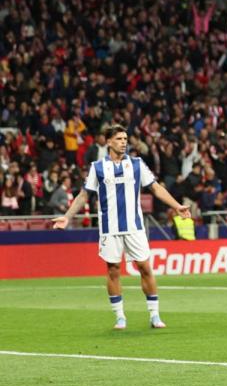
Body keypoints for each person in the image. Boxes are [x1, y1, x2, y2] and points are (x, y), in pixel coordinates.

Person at [51, 124, 191, 330]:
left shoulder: (137, 164)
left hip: (134, 227)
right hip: (109, 229)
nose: (123, 142)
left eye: (125, 139)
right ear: (108, 142)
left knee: (144, 267)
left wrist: (177, 206)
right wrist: (67, 217)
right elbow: (83, 195)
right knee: (113, 271)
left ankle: (154, 315)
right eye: (119, 139)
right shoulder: (97, 167)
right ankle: (120, 317)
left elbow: (156, 188)